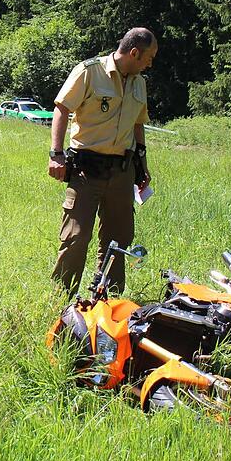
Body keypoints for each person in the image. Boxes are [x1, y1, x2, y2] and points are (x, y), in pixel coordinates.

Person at [48, 27, 157, 297]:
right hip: (86, 171)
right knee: (76, 237)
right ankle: (62, 300)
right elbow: (62, 108)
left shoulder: (139, 83)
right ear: (134, 52)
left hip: (122, 171)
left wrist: (142, 165)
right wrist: (56, 154)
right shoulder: (89, 72)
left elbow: (137, 125)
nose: (150, 64)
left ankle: (109, 301)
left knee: (118, 240)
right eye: (149, 57)